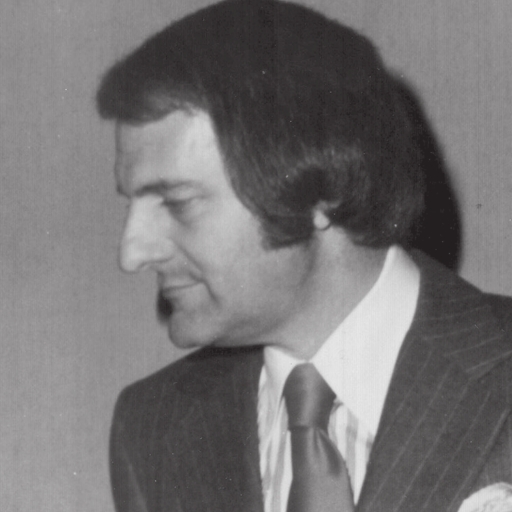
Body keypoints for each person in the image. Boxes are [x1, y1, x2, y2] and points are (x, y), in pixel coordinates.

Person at [96, 1, 512, 511]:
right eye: (133, 203)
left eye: (178, 202)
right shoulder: (151, 429)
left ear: (321, 193)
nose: (132, 252)